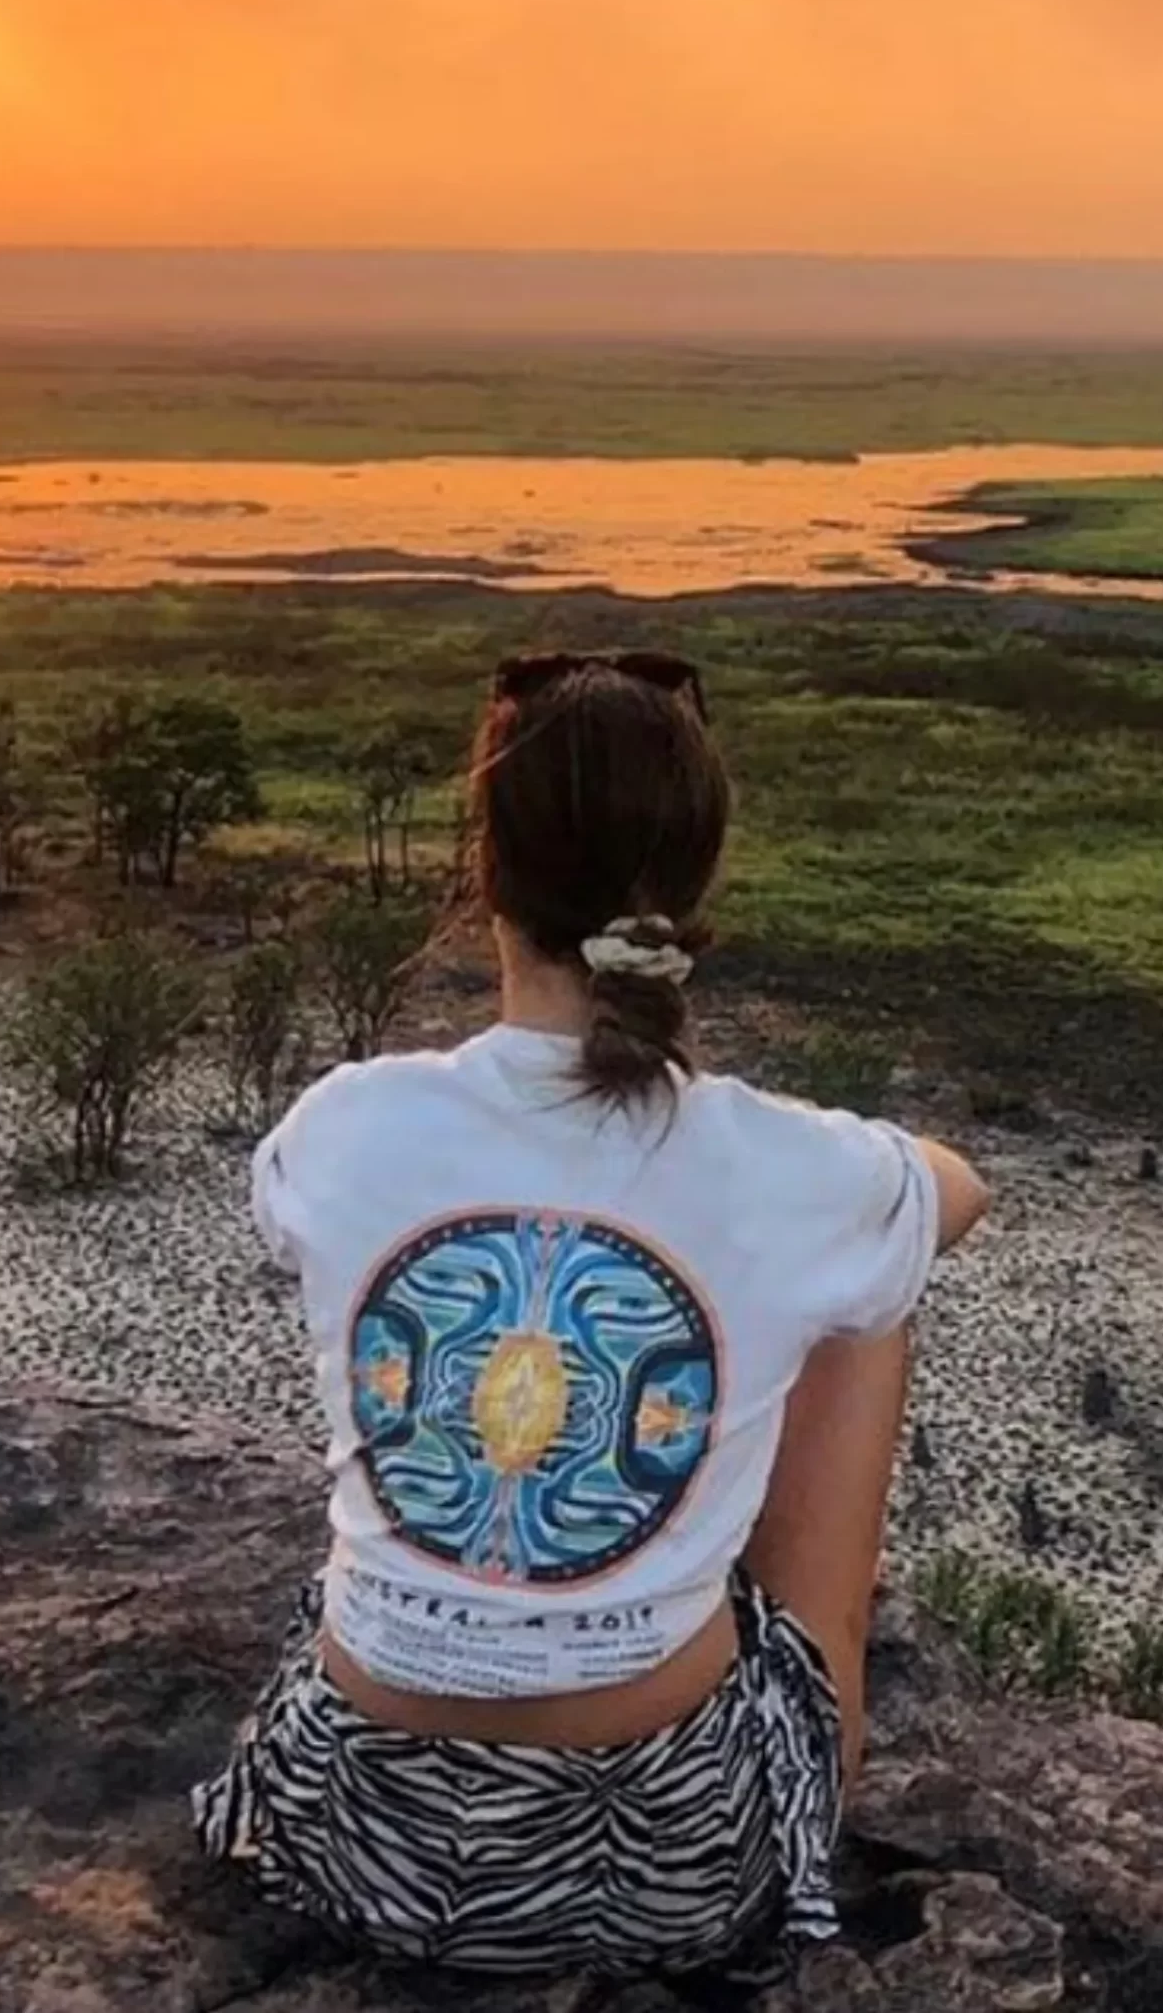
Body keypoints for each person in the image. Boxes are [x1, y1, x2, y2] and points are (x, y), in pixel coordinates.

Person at [193, 646, 991, 1981]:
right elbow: (958, 1193)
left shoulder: (346, 1126)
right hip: (663, 1857)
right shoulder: (784, 1166)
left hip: (345, 1820)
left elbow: (294, 1214)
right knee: (870, 1282)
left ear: (485, 875)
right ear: (689, 887)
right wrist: (758, 1164)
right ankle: (828, 1698)